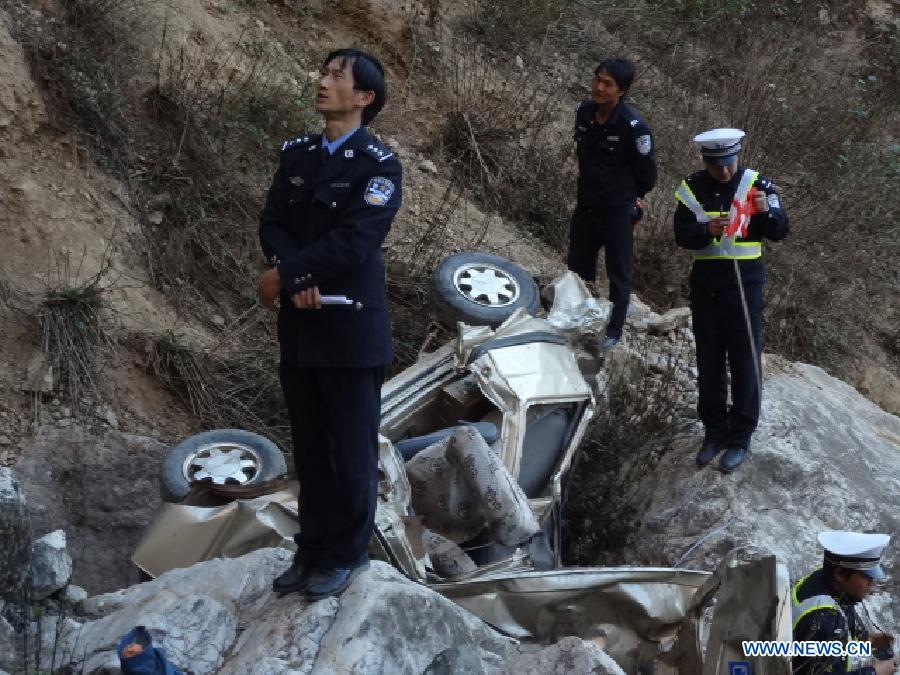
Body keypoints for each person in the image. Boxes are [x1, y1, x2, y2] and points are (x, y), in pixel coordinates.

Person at [256, 48, 402, 599]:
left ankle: (346, 553)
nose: (322, 82)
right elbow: (273, 221)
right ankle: (311, 549)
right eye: (323, 73)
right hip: (300, 326)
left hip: (350, 329)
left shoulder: (379, 165)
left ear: (363, 98)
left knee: (351, 451)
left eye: (336, 77)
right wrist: (294, 277)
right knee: (311, 448)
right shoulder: (297, 155)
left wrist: (287, 275)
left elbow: (357, 238)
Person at [673, 128, 789, 472]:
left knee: (744, 361)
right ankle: (714, 431)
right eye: (716, 165)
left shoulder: (758, 185)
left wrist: (765, 212)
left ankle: (740, 436)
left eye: (728, 163)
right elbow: (681, 235)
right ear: (705, 161)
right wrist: (704, 231)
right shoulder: (692, 188)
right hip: (706, 286)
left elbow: (780, 230)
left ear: (736, 157)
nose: (724, 172)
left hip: (745, 285)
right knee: (709, 362)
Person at [568, 58, 657, 350]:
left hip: (617, 209)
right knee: (578, 265)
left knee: (618, 272)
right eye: (598, 80)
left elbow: (647, 175)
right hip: (587, 204)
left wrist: (633, 198)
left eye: (608, 84)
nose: (599, 87)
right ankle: (575, 317)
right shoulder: (584, 113)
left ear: (622, 91)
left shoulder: (634, 128)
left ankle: (613, 330)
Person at [792, 531, 897, 675]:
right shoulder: (824, 621)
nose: (871, 583)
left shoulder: (825, 581)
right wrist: (877, 671)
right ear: (840, 574)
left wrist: (868, 641)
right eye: (867, 576)